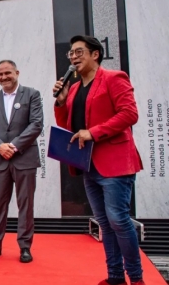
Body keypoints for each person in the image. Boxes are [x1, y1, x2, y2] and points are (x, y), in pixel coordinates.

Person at [53, 35, 145, 285]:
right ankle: (115, 276)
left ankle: (136, 278)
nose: (73, 57)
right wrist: (61, 103)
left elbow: (129, 113)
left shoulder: (114, 78)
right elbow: (68, 127)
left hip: (115, 161)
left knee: (117, 218)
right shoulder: (72, 89)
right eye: (70, 53)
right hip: (88, 164)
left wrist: (93, 132)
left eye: (78, 52)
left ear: (96, 54)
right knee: (104, 222)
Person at [0, 60, 43, 263]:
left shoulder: (32, 94)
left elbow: (36, 124)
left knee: (26, 204)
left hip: (24, 158)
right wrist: (0, 146)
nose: (4, 77)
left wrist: (13, 146)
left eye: (8, 73)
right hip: (0, 160)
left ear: (17, 72)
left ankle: (25, 247)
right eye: (0, 74)